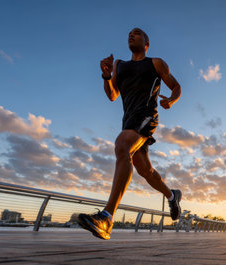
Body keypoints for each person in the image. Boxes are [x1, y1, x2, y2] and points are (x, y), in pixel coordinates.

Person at [78, 28, 182, 240]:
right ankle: (172, 196)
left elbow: (176, 86)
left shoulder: (156, 63)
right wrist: (106, 75)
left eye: (137, 33)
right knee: (145, 170)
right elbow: (113, 95)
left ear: (147, 42)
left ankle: (107, 217)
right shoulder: (120, 65)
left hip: (147, 116)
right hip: (129, 121)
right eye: (129, 34)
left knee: (122, 145)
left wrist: (171, 100)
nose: (131, 35)